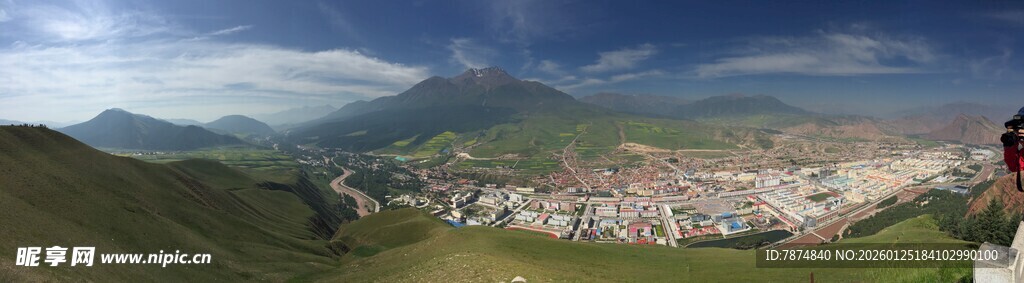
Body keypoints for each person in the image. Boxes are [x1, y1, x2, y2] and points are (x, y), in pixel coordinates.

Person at [1003, 107, 1024, 173]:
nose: (1020, 131)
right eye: (1017, 128)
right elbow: (1014, 168)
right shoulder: (1021, 154)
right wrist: (1010, 145)